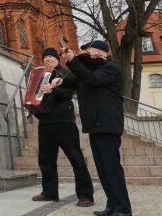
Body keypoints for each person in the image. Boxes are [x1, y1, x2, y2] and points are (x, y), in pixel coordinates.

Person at [57, 40, 132, 216]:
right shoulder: (90, 70)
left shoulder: (110, 68)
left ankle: (123, 209)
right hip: (95, 126)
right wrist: (59, 79)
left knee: (112, 169)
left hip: (107, 125)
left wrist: (74, 60)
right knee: (103, 170)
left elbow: (92, 79)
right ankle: (112, 206)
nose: (88, 55)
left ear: (101, 52)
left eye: (89, 52)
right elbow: (76, 81)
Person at [30, 48, 94, 207]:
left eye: (51, 56)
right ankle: (49, 192)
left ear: (57, 59)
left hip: (63, 121)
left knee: (76, 158)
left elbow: (69, 92)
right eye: (45, 57)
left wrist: (54, 89)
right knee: (45, 160)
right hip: (45, 121)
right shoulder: (41, 75)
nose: (48, 59)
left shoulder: (66, 72)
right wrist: (32, 105)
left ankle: (86, 195)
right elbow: (35, 95)